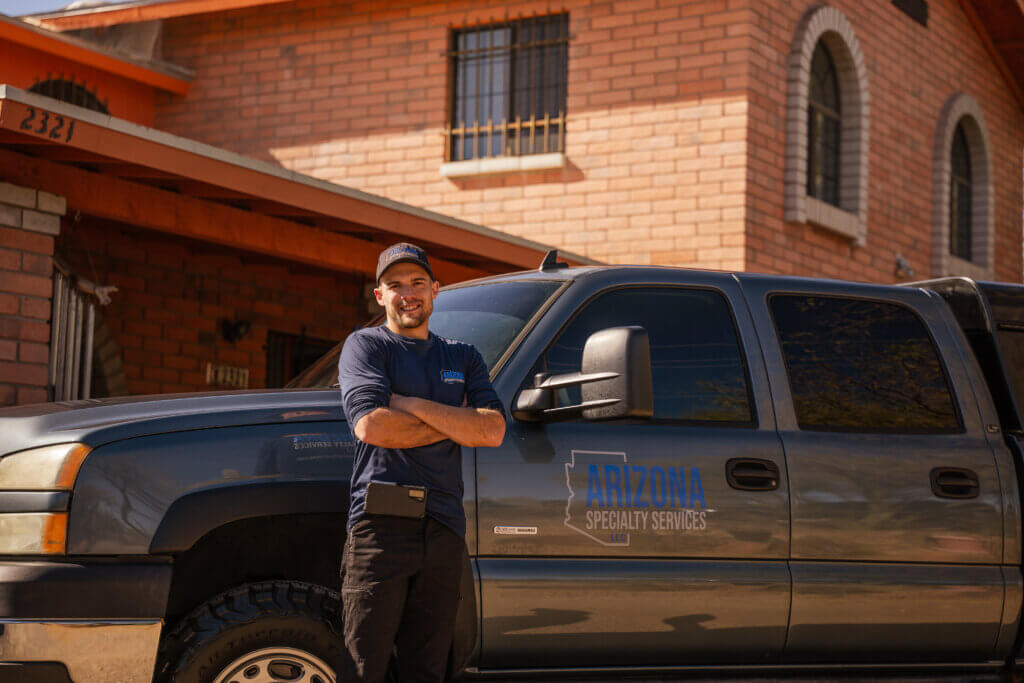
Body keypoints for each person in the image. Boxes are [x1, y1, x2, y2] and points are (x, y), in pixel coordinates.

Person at [337, 242, 506, 683]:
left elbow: (493, 430)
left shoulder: (462, 356)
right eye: (394, 285)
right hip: (380, 528)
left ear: (435, 290)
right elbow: (372, 428)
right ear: (379, 296)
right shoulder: (366, 346)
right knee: (364, 668)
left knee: (429, 670)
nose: (407, 293)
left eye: (417, 283)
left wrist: (408, 402)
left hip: (445, 528)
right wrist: (458, 421)